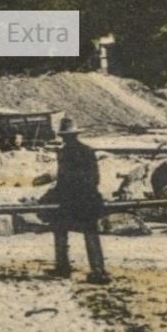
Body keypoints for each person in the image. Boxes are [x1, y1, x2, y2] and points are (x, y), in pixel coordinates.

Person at [45, 118, 109, 284]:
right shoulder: (88, 150)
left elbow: (63, 179)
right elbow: (96, 178)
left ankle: (63, 266)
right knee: (91, 233)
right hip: (89, 198)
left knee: (59, 227)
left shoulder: (63, 153)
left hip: (70, 199)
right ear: (76, 135)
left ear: (64, 137)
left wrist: (53, 194)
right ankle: (99, 270)